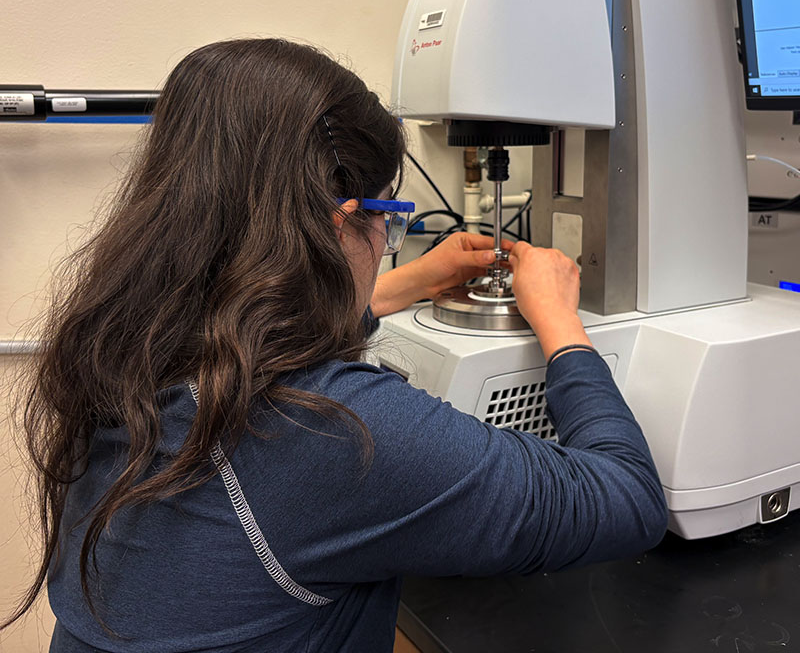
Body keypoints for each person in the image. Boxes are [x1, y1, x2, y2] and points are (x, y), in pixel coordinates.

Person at [5, 38, 667, 652]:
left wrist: (403, 284)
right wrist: (561, 326)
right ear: (337, 226)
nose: (387, 242)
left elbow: (249, 325)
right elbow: (627, 499)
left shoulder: (120, 346)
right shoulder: (332, 431)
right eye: (387, 218)